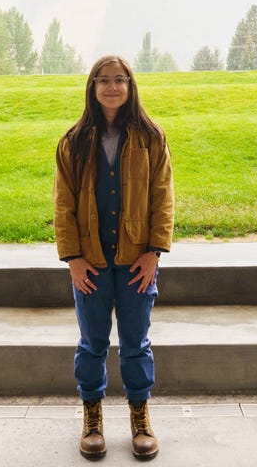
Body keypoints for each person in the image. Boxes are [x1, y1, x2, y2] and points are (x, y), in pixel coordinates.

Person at [54, 54, 174, 461]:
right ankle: (92, 418)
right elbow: (63, 206)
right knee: (92, 343)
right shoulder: (73, 142)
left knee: (136, 344)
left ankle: (140, 416)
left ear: (130, 86)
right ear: (92, 87)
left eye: (119, 79)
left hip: (136, 262)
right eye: (103, 80)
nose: (111, 87)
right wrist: (73, 259)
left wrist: (154, 252)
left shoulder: (151, 138)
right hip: (89, 263)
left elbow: (163, 199)